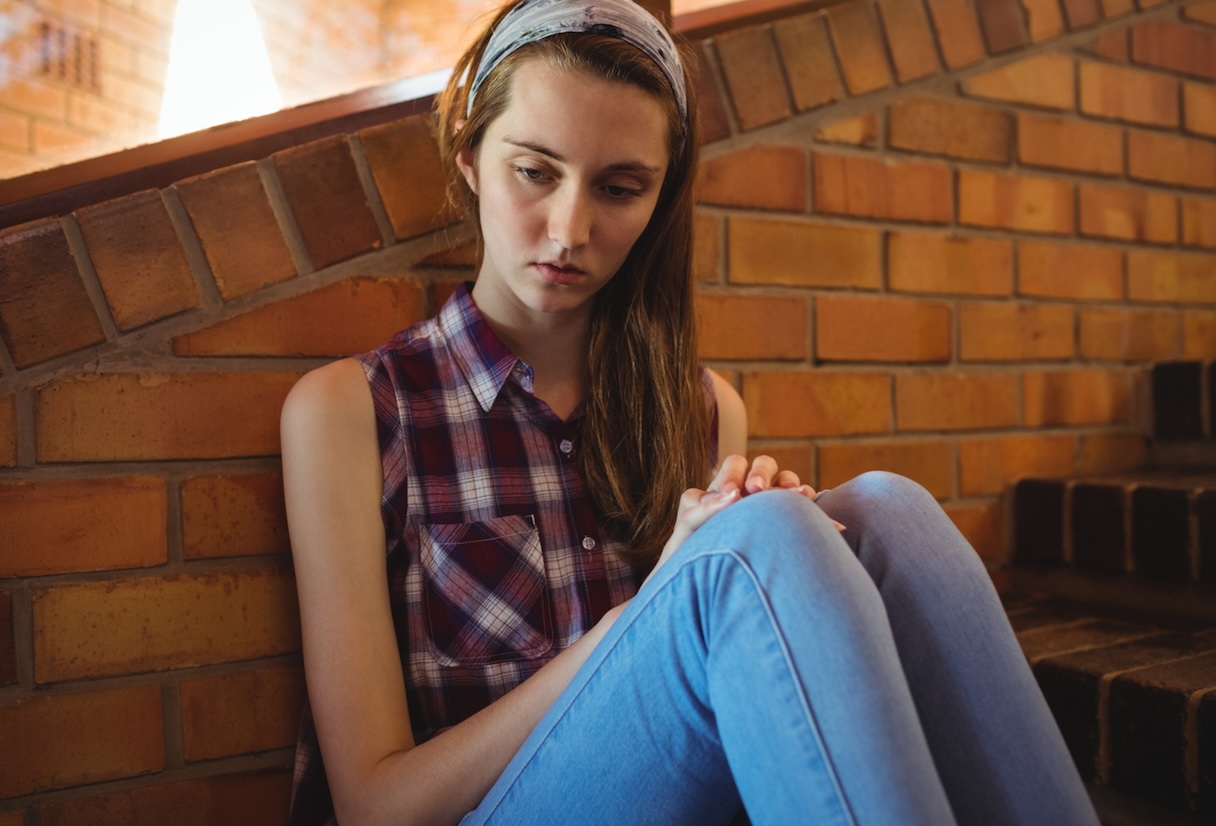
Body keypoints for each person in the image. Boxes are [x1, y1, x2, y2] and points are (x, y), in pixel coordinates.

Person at [280, 0, 1100, 823]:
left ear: (659, 198)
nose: (570, 229)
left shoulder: (704, 411)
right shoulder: (356, 410)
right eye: (534, 171)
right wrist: (646, 615)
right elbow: (373, 805)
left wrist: (776, 550)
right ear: (470, 157)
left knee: (888, 511)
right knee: (757, 547)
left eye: (620, 187)